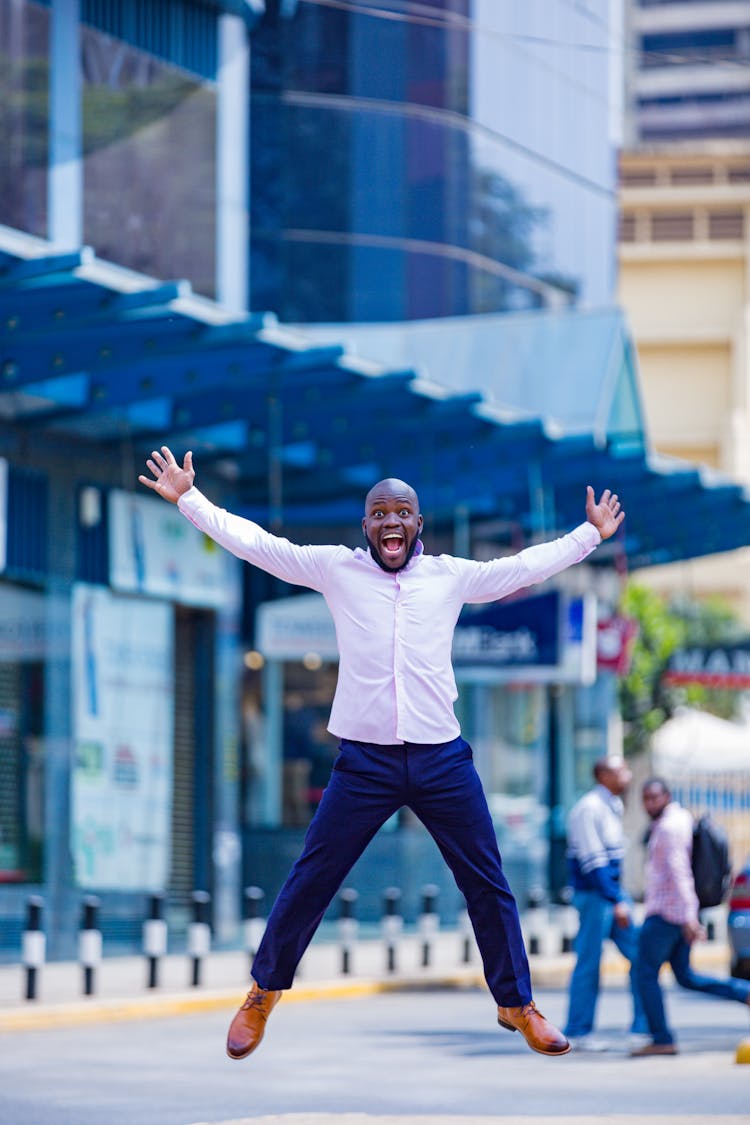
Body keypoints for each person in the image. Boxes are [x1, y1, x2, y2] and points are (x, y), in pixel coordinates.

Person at [139, 446, 625, 1062]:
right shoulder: (336, 569)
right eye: (379, 513)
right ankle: (262, 994)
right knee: (312, 878)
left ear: (418, 525)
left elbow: (523, 566)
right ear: (365, 525)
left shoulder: (451, 576)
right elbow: (257, 544)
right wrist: (189, 499)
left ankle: (516, 1004)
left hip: (441, 758)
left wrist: (589, 534)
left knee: (487, 882)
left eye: (403, 512)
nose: (391, 521)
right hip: (365, 761)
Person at [631, 777, 750, 1057]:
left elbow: (680, 873)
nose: (649, 803)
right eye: (645, 798)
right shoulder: (679, 821)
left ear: (667, 796)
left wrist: (688, 918)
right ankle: (744, 992)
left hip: (667, 914)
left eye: (654, 798)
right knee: (685, 976)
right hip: (679, 913)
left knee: (644, 974)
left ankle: (662, 1038)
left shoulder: (670, 827)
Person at [563, 756, 647, 1051]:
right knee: (589, 962)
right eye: (619, 770)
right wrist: (616, 901)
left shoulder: (613, 806)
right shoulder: (589, 809)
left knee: (641, 956)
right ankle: (577, 1030)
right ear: (602, 775)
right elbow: (593, 861)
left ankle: (643, 1025)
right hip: (596, 896)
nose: (626, 774)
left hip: (612, 893)